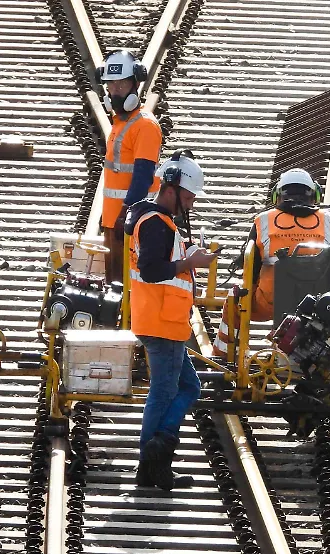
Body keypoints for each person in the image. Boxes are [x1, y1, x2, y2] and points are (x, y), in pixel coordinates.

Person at [125, 150, 217, 490]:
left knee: (189, 386)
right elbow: (152, 270)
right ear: (173, 189)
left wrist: (189, 255)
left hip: (166, 320)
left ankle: (157, 451)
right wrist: (190, 262)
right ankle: (152, 465)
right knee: (162, 393)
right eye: (190, 196)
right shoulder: (155, 224)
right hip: (161, 322)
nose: (191, 203)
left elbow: (163, 262)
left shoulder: (158, 221)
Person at [214, 168, 330, 359]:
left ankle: (226, 358)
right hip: (322, 305)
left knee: (235, 300)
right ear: (314, 194)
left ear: (277, 195)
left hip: (270, 302)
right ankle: (329, 356)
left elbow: (251, 270)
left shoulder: (263, 221)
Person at [96, 50, 162, 284]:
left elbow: (142, 177)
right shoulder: (120, 123)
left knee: (126, 286)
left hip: (130, 223)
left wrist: (125, 213)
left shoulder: (144, 125)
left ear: (135, 84)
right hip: (115, 222)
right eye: (111, 86)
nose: (115, 92)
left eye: (121, 85)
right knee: (114, 286)